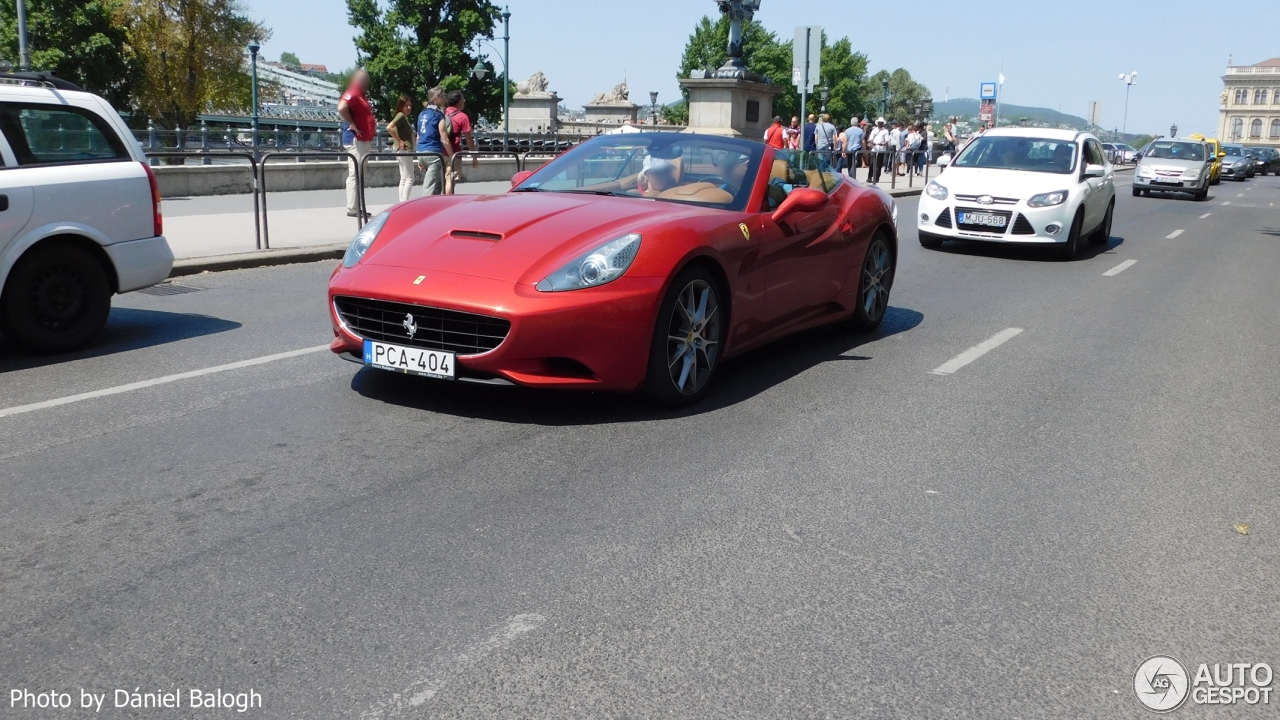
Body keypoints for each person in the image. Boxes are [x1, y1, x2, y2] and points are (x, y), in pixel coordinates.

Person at [338, 68, 376, 218]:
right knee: (355, 174)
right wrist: (351, 123)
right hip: (356, 140)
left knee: (359, 173)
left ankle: (356, 206)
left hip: (363, 140)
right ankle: (352, 208)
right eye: (365, 80)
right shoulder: (353, 93)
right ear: (359, 79)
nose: (367, 83)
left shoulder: (360, 95)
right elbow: (341, 107)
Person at [415, 86, 453, 196]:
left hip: (421, 151)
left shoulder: (422, 114)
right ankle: (424, 210)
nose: (445, 99)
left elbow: (419, 136)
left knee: (437, 184)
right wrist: (452, 156)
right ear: (436, 98)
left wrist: (419, 157)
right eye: (442, 96)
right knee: (430, 186)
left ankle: (434, 208)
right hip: (433, 152)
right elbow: (445, 138)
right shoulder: (438, 115)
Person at [444, 90, 479, 195]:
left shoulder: (442, 113)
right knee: (451, 180)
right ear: (459, 101)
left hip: (440, 151)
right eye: (463, 100)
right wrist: (474, 157)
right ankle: (447, 202)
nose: (464, 102)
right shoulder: (462, 116)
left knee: (443, 180)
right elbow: (468, 139)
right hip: (454, 152)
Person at [386, 94, 416, 202]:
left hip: (399, 149)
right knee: (410, 178)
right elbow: (389, 127)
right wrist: (400, 140)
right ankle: (404, 201)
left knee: (404, 177)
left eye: (410, 105)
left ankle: (401, 201)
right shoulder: (401, 116)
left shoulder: (402, 117)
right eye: (406, 105)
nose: (409, 108)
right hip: (404, 150)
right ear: (401, 106)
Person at [868, 117, 890, 183]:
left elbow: (887, 140)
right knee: (871, 164)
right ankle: (869, 177)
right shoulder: (874, 130)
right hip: (874, 149)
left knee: (878, 165)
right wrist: (872, 143)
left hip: (881, 150)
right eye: (879, 123)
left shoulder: (885, 131)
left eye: (881, 123)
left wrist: (883, 144)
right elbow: (870, 139)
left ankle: (876, 178)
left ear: (883, 123)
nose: (880, 124)